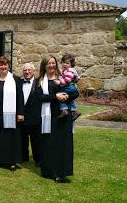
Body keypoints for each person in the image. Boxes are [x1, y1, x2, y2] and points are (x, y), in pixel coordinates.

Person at [36, 55, 77, 183]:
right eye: (48, 63)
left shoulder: (62, 78)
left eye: (53, 63)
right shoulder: (40, 81)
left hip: (63, 117)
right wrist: (55, 96)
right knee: (48, 144)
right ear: (44, 65)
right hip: (48, 117)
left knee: (62, 145)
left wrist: (65, 96)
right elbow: (39, 97)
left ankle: (61, 173)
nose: (51, 65)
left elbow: (75, 92)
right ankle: (48, 170)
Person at [0, 56, 24, 171]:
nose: (3, 67)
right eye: (1, 65)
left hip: (11, 114)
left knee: (11, 137)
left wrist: (21, 113)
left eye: (5, 64)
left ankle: (11, 161)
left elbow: (20, 98)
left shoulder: (16, 80)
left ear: (9, 66)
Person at [19, 63, 41, 165]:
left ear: (33, 71)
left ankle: (38, 159)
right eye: (25, 70)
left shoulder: (39, 83)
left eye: (29, 70)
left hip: (34, 116)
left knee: (35, 139)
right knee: (23, 138)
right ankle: (24, 157)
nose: (27, 72)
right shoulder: (18, 82)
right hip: (21, 115)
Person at [57, 53, 81, 120]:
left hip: (69, 88)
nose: (65, 64)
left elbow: (67, 80)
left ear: (71, 65)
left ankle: (64, 110)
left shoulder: (69, 71)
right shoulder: (66, 71)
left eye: (67, 63)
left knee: (60, 96)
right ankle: (75, 111)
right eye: (63, 62)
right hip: (71, 88)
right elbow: (75, 79)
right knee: (69, 99)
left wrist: (59, 82)